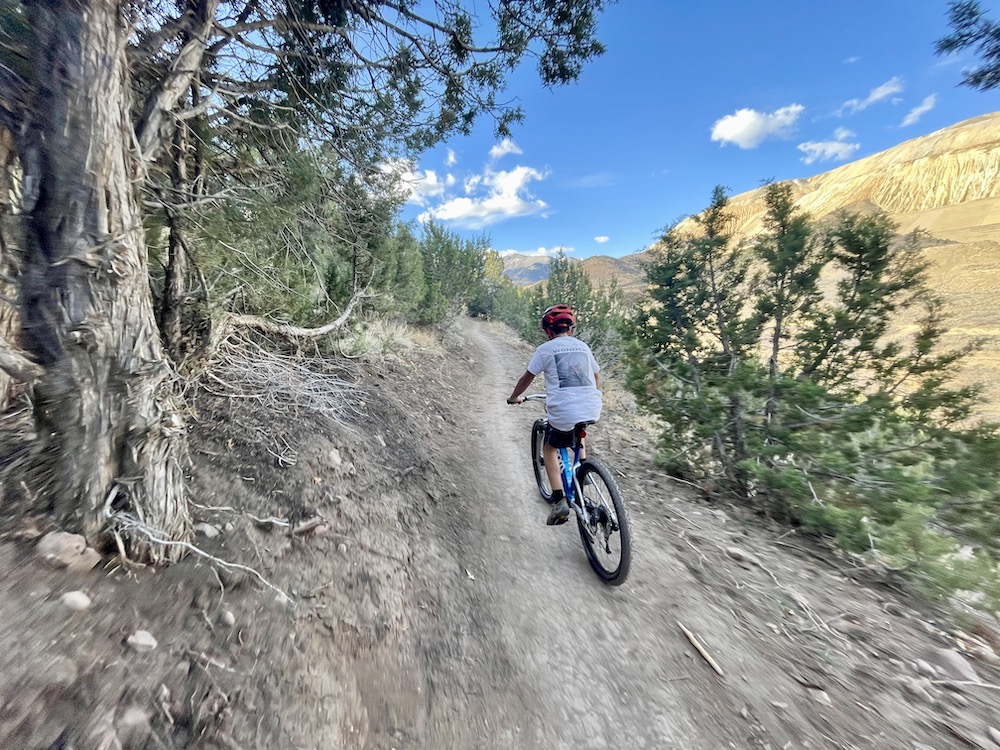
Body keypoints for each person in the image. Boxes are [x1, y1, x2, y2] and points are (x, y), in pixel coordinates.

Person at [507, 304, 602, 525]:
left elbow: (526, 380)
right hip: (592, 405)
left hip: (564, 411)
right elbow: (596, 378)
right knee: (579, 431)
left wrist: (514, 397)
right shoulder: (583, 347)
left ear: (548, 330)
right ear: (570, 328)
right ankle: (583, 472)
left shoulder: (545, 349)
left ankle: (559, 501)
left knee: (550, 447)